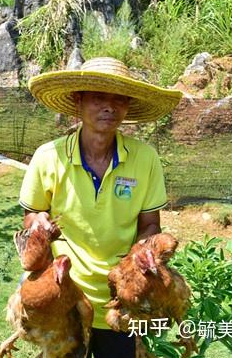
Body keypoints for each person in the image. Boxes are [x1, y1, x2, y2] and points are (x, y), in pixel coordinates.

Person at [18, 57, 182, 357]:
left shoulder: (144, 159)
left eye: (119, 98)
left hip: (121, 298)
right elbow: (31, 214)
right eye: (98, 97)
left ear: (128, 106)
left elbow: (149, 223)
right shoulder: (48, 156)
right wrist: (39, 224)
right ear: (78, 101)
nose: (110, 106)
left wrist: (146, 250)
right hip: (63, 295)